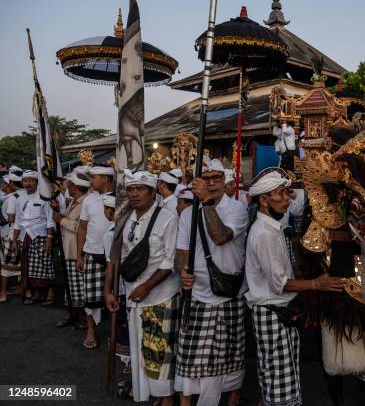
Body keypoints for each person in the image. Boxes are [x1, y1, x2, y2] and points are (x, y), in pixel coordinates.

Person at [245, 169, 345, 406]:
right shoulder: (264, 234)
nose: (286, 199)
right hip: (272, 314)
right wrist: (316, 284)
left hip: (278, 314)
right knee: (280, 385)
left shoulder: (273, 228)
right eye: (280, 194)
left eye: (286, 193)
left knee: (275, 378)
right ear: (264, 200)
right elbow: (280, 285)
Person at [176, 158, 249, 406]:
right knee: (189, 362)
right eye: (206, 179)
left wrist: (206, 202)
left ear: (225, 181)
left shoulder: (236, 209)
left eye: (216, 178)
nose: (211, 183)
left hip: (229, 294)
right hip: (197, 295)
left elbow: (220, 237)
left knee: (230, 362)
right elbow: (181, 254)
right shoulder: (187, 214)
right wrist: (182, 271)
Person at [104, 170, 180, 405]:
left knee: (160, 352)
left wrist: (147, 286)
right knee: (142, 352)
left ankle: (166, 399)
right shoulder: (125, 220)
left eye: (140, 189)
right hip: (133, 294)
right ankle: (154, 395)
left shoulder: (167, 218)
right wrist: (109, 291)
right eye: (131, 189)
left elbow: (171, 260)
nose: (135, 194)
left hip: (160, 295)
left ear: (152, 191)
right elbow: (115, 258)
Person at [77, 165, 114, 349]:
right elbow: (82, 228)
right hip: (91, 252)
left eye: (94, 177)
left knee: (115, 295)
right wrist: (79, 255)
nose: (91, 181)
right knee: (90, 296)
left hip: (114, 255)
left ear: (105, 179)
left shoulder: (120, 198)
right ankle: (90, 331)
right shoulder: (88, 200)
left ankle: (115, 335)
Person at [12, 171, 55, 306]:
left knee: (44, 264)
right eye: (25, 181)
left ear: (37, 182)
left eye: (31, 181)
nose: (28, 183)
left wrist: (49, 238)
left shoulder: (44, 197)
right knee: (28, 266)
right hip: (25, 236)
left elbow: (50, 219)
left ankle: (50, 293)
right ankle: (36, 293)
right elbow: (18, 221)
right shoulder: (19, 198)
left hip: (40, 235)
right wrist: (14, 240)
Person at [53, 172, 90, 328]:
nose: (66, 186)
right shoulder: (74, 202)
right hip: (68, 249)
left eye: (68, 183)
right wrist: (59, 213)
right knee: (71, 286)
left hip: (77, 251)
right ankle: (71, 314)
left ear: (74, 186)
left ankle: (81, 317)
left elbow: (81, 228)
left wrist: (61, 220)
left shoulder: (86, 203)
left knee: (78, 287)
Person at [0, 174, 21, 302]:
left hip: (10, 234)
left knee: (6, 266)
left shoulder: (12, 199)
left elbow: (11, 219)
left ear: (8, 185)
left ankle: (3, 293)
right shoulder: (10, 198)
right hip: (7, 233)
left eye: (3, 182)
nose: (1, 184)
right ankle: (20, 287)